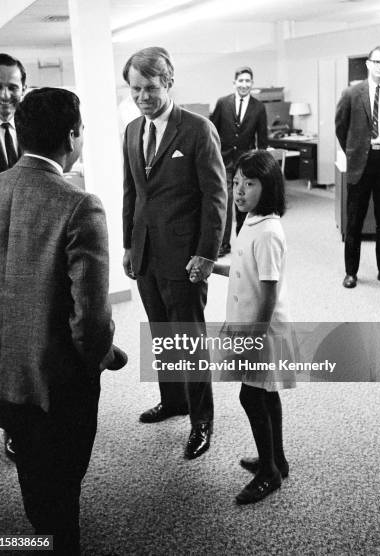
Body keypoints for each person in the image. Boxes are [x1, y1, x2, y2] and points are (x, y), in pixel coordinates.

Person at [0, 88, 125, 555]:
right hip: (56, 381)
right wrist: (104, 356)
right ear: (72, 135)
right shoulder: (79, 204)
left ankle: (36, 539)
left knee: (32, 479)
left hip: (4, 372)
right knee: (63, 491)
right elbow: (90, 318)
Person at [122, 46, 227, 459]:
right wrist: (129, 245)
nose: (143, 97)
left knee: (189, 337)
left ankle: (202, 420)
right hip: (147, 253)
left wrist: (207, 253)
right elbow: (132, 191)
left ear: (168, 82)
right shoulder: (132, 130)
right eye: (135, 89)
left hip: (185, 257)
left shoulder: (198, 129)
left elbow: (216, 196)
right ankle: (173, 401)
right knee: (162, 334)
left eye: (150, 88)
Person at [211, 150, 296, 504]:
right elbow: (247, 272)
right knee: (265, 393)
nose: (240, 191)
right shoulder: (253, 221)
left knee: (251, 395)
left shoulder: (268, 232)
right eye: (236, 183)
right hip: (251, 324)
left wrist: (254, 339)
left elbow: (270, 290)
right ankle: (277, 459)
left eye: (250, 183)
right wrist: (214, 268)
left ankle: (268, 474)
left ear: (270, 185)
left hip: (260, 330)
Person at [0, 52, 27, 460]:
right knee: (0, 344)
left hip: (32, 253)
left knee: (29, 338)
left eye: (13, 86)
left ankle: (30, 414)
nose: (5, 94)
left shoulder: (32, 128)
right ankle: (10, 427)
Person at [335, 44, 380, 289]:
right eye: (377, 62)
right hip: (359, 163)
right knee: (355, 221)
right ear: (368, 64)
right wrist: (353, 150)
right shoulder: (351, 93)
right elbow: (340, 126)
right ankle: (351, 272)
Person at [210, 66, 268, 257]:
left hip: (245, 164)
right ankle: (223, 244)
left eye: (248, 81)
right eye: (241, 81)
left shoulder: (259, 108)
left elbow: (263, 140)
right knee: (224, 204)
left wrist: (260, 165)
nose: (244, 84)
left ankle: (243, 242)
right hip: (224, 162)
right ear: (234, 83)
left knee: (243, 203)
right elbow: (211, 132)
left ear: (252, 84)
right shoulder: (222, 103)